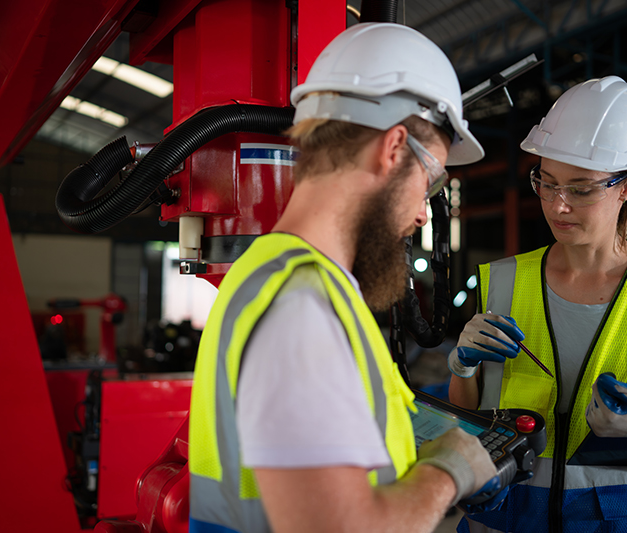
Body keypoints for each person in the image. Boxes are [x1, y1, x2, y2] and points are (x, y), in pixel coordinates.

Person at [188, 23, 500, 533]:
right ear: (393, 149)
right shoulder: (301, 310)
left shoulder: (275, 275)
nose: (424, 214)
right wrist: (448, 471)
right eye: (431, 180)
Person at [447, 76, 627, 533]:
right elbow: (472, 418)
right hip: (504, 519)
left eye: (581, 189)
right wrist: (460, 370)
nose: (558, 206)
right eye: (547, 182)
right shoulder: (501, 281)